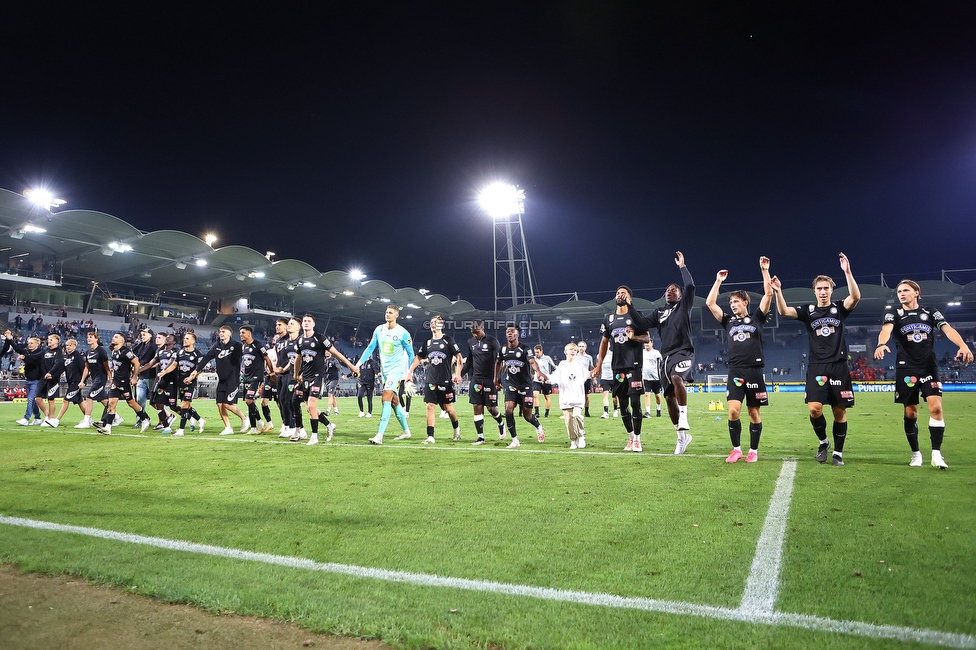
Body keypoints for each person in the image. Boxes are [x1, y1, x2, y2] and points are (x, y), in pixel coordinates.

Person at [771, 252, 860, 466]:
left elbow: (855, 297)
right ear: (814, 291)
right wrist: (778, 292)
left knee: (839, 411)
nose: (822, 292)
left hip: (838, 365)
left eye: (826, 288)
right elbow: (784, 311)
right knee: (814, 409)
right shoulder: (808, 311)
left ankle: (838, 453)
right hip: (817, 366)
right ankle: (823, 442)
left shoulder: (839, 308)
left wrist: (847, 272)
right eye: (819, 289)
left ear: (831, 290)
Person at [874, 279, 973, 469]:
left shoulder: (930, 311)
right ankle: (916, 453)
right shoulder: (894, 313)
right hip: (906, 368)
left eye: (906, 290)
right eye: (899, 291)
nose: (901, 294)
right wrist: (881, 343)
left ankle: (936, 454)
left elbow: (947, 328)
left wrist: (962, 345)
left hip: (929, 367)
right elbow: (886, 329)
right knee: (911, 413)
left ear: (916, 292)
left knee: (936, 408)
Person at [705, 257, 773, 464]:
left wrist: (764, 271)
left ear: (745, 302)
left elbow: (769, 293)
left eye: (736, 301)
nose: (733, 305)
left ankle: (753, 450)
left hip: (754, 370)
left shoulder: (757, 318)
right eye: (731, 302)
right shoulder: (728, 321)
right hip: (735, 370)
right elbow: (710, 303)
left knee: (754, 412)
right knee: (733, 411)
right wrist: (718, 281)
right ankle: (736, 449)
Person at [646, 251, 697, 455]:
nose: (669, 291)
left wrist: (682, 267)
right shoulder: (659, 312)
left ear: (680, 295)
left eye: (673, 289)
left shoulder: (683, 307)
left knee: (677, 377)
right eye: (667, 290)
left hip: (682, 352)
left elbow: (691, 286)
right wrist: (627, 311)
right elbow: (643, 323)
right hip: (665, 358)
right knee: (668, 398)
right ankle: (682, 438)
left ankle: (684, 417)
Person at [591, 286, 651, 452]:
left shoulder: (636, 316)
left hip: (634, 365)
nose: (619, 295)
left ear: (629, 298)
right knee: (623, 404)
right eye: (617, 293)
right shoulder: (609, 318)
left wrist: (634, 337)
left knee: (636, 403)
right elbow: (604, 343)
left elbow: (647, 338)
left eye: (623, 293)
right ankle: (630, 437)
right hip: (617, 367)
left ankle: (638, 439)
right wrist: (598, 365)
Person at [292, 314, 358, 446]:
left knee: (311, 406)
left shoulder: (320, 338)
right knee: (309, 408)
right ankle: (329, 424)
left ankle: (314, 437)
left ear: (313, 324)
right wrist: (296, 374)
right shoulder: (299, 340)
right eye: (304, 321)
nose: (306, 323)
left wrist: (351, 366)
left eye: (309, 321)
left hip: (317, 376)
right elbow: (298, 359)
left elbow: (336, 353)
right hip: (305, 377)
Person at [355, 305, 414, 445]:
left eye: (391, 313)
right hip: (385, 371)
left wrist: (410, 373)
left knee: (385, 398)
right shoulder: (379, 330)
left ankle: (379, 435)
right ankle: (406, 431)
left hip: (396, 370)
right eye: (386, 312)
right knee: (394, 402)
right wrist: (358, 363)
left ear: (396, 315)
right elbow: (370, 348)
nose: (387, 314)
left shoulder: (403, 333)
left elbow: (411, 354)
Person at [405, 314, 463, 443]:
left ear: (441, 325)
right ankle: (430, 436)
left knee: (449, 409)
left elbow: (459, 357)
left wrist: (458, 374)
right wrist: (409, 373)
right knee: (430, 406)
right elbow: (418, 358)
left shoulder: (448, 340)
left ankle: (456, 429)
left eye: (436, 322)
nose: (433, 324)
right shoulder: (427, 343)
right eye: (431, 322)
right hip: (431, 380)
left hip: (445, 380)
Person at [494, 325, 546, 448]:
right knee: (508, 409)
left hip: (525, 386)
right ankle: (515, 439)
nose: (510, 333)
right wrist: (496, 379)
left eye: (512, 331)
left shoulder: (524, 349)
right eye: (508, 332)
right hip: (511, 385)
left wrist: (538, 372)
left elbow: (532, 362)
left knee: (527, 416)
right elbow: (497, 363)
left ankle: (538, 426)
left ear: (517, 334)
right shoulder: (502, 350)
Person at [190, 325, 247, 435]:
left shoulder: (236, 345)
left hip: (233, 379)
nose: (221, 333)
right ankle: (228, 427)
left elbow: (240, 357)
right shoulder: (217, 346)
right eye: (220, 331)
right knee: (219, 404)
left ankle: (244, 418)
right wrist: (196, 370)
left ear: (229, 333)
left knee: (227, 404)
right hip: (221, 379)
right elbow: (206, 358)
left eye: (224, 331)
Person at [94, 332, 153, 434]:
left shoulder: (126, 352)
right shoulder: (114, 351)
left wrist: (135, 377)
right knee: (111, 403)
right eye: (113, 336)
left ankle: (144, 420)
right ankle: (108, 428)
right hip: (116, 382)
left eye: (116, 337)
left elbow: (136, 363)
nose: (113, 338)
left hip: (124, 382)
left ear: (122, 340)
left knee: (131, 403)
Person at [460, 319, 506, 445]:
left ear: (483, 328)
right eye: (473, 332)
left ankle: (501, 423)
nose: (475, 335)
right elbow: (469, 361)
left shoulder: (492, 341)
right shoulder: (470, 342)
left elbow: (499, 361)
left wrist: (498, 379)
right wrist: (460, 374)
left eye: (477, 332)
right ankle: (480, 437)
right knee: (477, 407)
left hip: (490, 379)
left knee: (491, 408)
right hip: (476, 379)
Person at [158, 331, 205, 437]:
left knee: (184, 404)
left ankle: (181, 430)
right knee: (186, 406)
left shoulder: (198, 354)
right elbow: (173, 365)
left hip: (191, 383)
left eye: (187, 339)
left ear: (193, 341)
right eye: (184, 338)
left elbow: (199, 369)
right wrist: (164, 372)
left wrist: (191, 377)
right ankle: (200, 420)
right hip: (180, 382)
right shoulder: (179, 352)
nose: (185, 340)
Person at [549, 342, 587, 449]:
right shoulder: (562, 365)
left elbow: (587, 375)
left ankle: (581, 435)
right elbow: (554, 377)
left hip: (578, 397)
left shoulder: (579, 365)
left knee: (576, 415)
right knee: (569, 421)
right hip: (565, 398)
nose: (573, 351)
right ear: (565, 352)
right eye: (571, 349)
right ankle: (573, 440)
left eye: (575, 350)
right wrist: (546, 379)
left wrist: (593, 374)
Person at [239, 325, 274, 434]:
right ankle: (254, 427)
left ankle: (259, 422)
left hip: (256, 377)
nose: (241, 335)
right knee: (249, 402)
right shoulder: (243, 347)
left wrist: (271, 372)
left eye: (243, 332)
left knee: (249, 400)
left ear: (249, 334)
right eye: (240, 333)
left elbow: (267, 359)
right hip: (246, 377)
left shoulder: (258, 345)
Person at [45, 337, 87, 427]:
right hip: (70, 381)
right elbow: (62, 369)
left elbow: (84, 369)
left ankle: (57, 420)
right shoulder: (66, 357)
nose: (68, 347)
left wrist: (83, 381)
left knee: (65, 400)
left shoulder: (77, 356)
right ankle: (88, 419)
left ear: (75, 346)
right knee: (80, 402)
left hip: (76, 382)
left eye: (70, 345)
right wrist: (53, 375)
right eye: (67, 345)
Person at [140, 332, 177, 430]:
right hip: (160, 380)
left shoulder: (175, 352)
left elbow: (171, 364)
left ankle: (192, 417)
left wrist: (163, 372)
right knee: (155, 401)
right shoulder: (159, 352)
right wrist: (137, 371)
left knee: (172, 406)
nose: (167, 339)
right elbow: (150, 364)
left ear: (174, 342)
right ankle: (165, 424)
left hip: (170, 380)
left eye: (169, 338)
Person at [77, 331, 111, 429]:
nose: (88, 338)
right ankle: (116, 417)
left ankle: (87, 420)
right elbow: (86, 368)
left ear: (96, 339)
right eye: (88, 337)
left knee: (89, 397)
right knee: (103, 400)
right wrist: (82, 380)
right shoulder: (88, 352)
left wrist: (110, 379)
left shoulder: (101, 351)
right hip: (94, 378)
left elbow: (107, 367)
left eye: (91, 337)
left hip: (101, 378)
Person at [131, 327, 158, 415]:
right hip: (141, 376)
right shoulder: (139, 346)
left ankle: (164, 418)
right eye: (142, 335)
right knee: (139, 399)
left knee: (155, 400)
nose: (142, 336)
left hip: (151, 376)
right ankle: (141, 419)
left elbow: (157, 361)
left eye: (144, 334)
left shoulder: (154, 346)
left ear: (150, 335)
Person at [532, 345, 556, 418]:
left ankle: (546, 413)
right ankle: (537, 413)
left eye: (538, 352)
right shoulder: (533, 359)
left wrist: (550, 377)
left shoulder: (547, 358)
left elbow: (554, 367)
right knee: (535, 395)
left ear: (541, 351)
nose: (536, 354)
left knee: (547, 397)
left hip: (546, 380)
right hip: (537, 380)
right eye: (535, 352)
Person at [641, 340, 663, 418]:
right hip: (645, 377)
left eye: (648, 343)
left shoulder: (656, 353)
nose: (646, 344)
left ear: (652, 343)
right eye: (645, 343)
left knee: (657, 395)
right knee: (646, 394)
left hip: (656, 378)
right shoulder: (642, 352)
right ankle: (648, 412)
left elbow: (660, 364)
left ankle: (658, 409)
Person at [576, 340, 594, 417]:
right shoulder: (575, 356)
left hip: (586, 378)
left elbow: (591, 368)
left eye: (582, 346)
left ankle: (586, 411)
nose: (581, 348)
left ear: (585, 348)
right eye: (579, 346)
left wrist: (594, 378)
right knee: (577, 395)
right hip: (577, 379)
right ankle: (577, 411)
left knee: (586, 395)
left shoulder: (589, 357)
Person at [598, 349, 617, 419]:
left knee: (615, 396)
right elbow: (598, 366)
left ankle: (615, 410)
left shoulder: (613, 354)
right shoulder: (599, 355)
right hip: (605, 378)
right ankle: (606, 412)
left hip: (613, 378)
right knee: (605, 394)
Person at [323, 351, 341, 416]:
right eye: (326, 351)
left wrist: (341, 373)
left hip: (334, 379)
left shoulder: (334, 360)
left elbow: (339, 368)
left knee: (330, 395)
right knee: (332, 396)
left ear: (331, 353)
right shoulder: (324, 361)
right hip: (327, 380)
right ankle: (336, 410)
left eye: (328, 351)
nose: (326, 352)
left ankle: (328, 410)